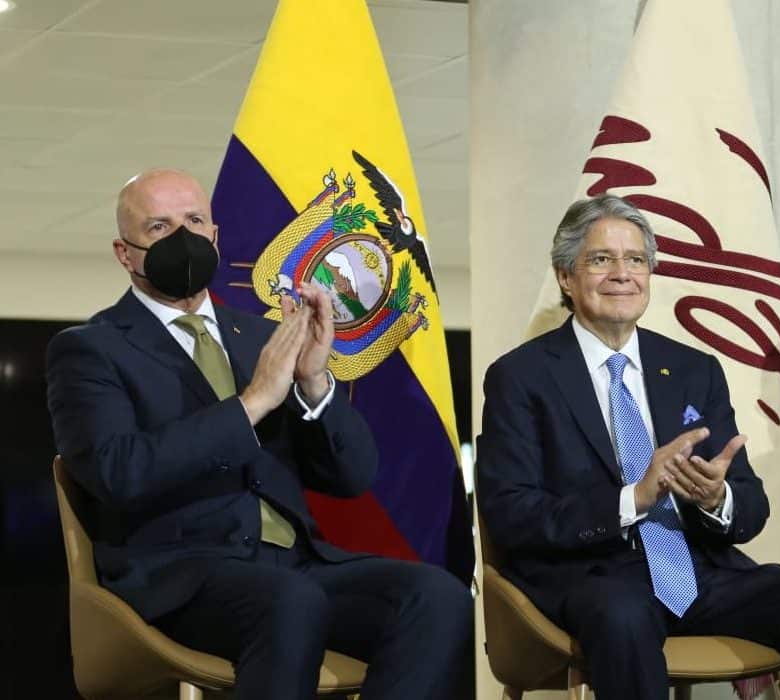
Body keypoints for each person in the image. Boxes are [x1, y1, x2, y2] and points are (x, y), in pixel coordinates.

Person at [45, 168, 471, 700]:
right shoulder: (91, 349)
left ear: (215, 235)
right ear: (124, 253)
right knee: (290, 601)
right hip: (181, 573)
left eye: (194, 221)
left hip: (295, 563)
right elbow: (118, 471)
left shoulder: (263, 337)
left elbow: (353, 475)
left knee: (437, 596)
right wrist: (252, 404)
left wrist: (315, 383)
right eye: (159, 227)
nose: (182, 237)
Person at [475, 194, 780, 699]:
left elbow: (750, 506)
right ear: (566, 276)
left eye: (636, 260)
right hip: (593, 578)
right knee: (622, 615)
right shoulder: (521, 377)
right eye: (601, 259)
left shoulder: (694, 370)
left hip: (700, 575)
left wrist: (716, 498)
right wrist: (633, 499)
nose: (622, 274)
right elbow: (511, 513)